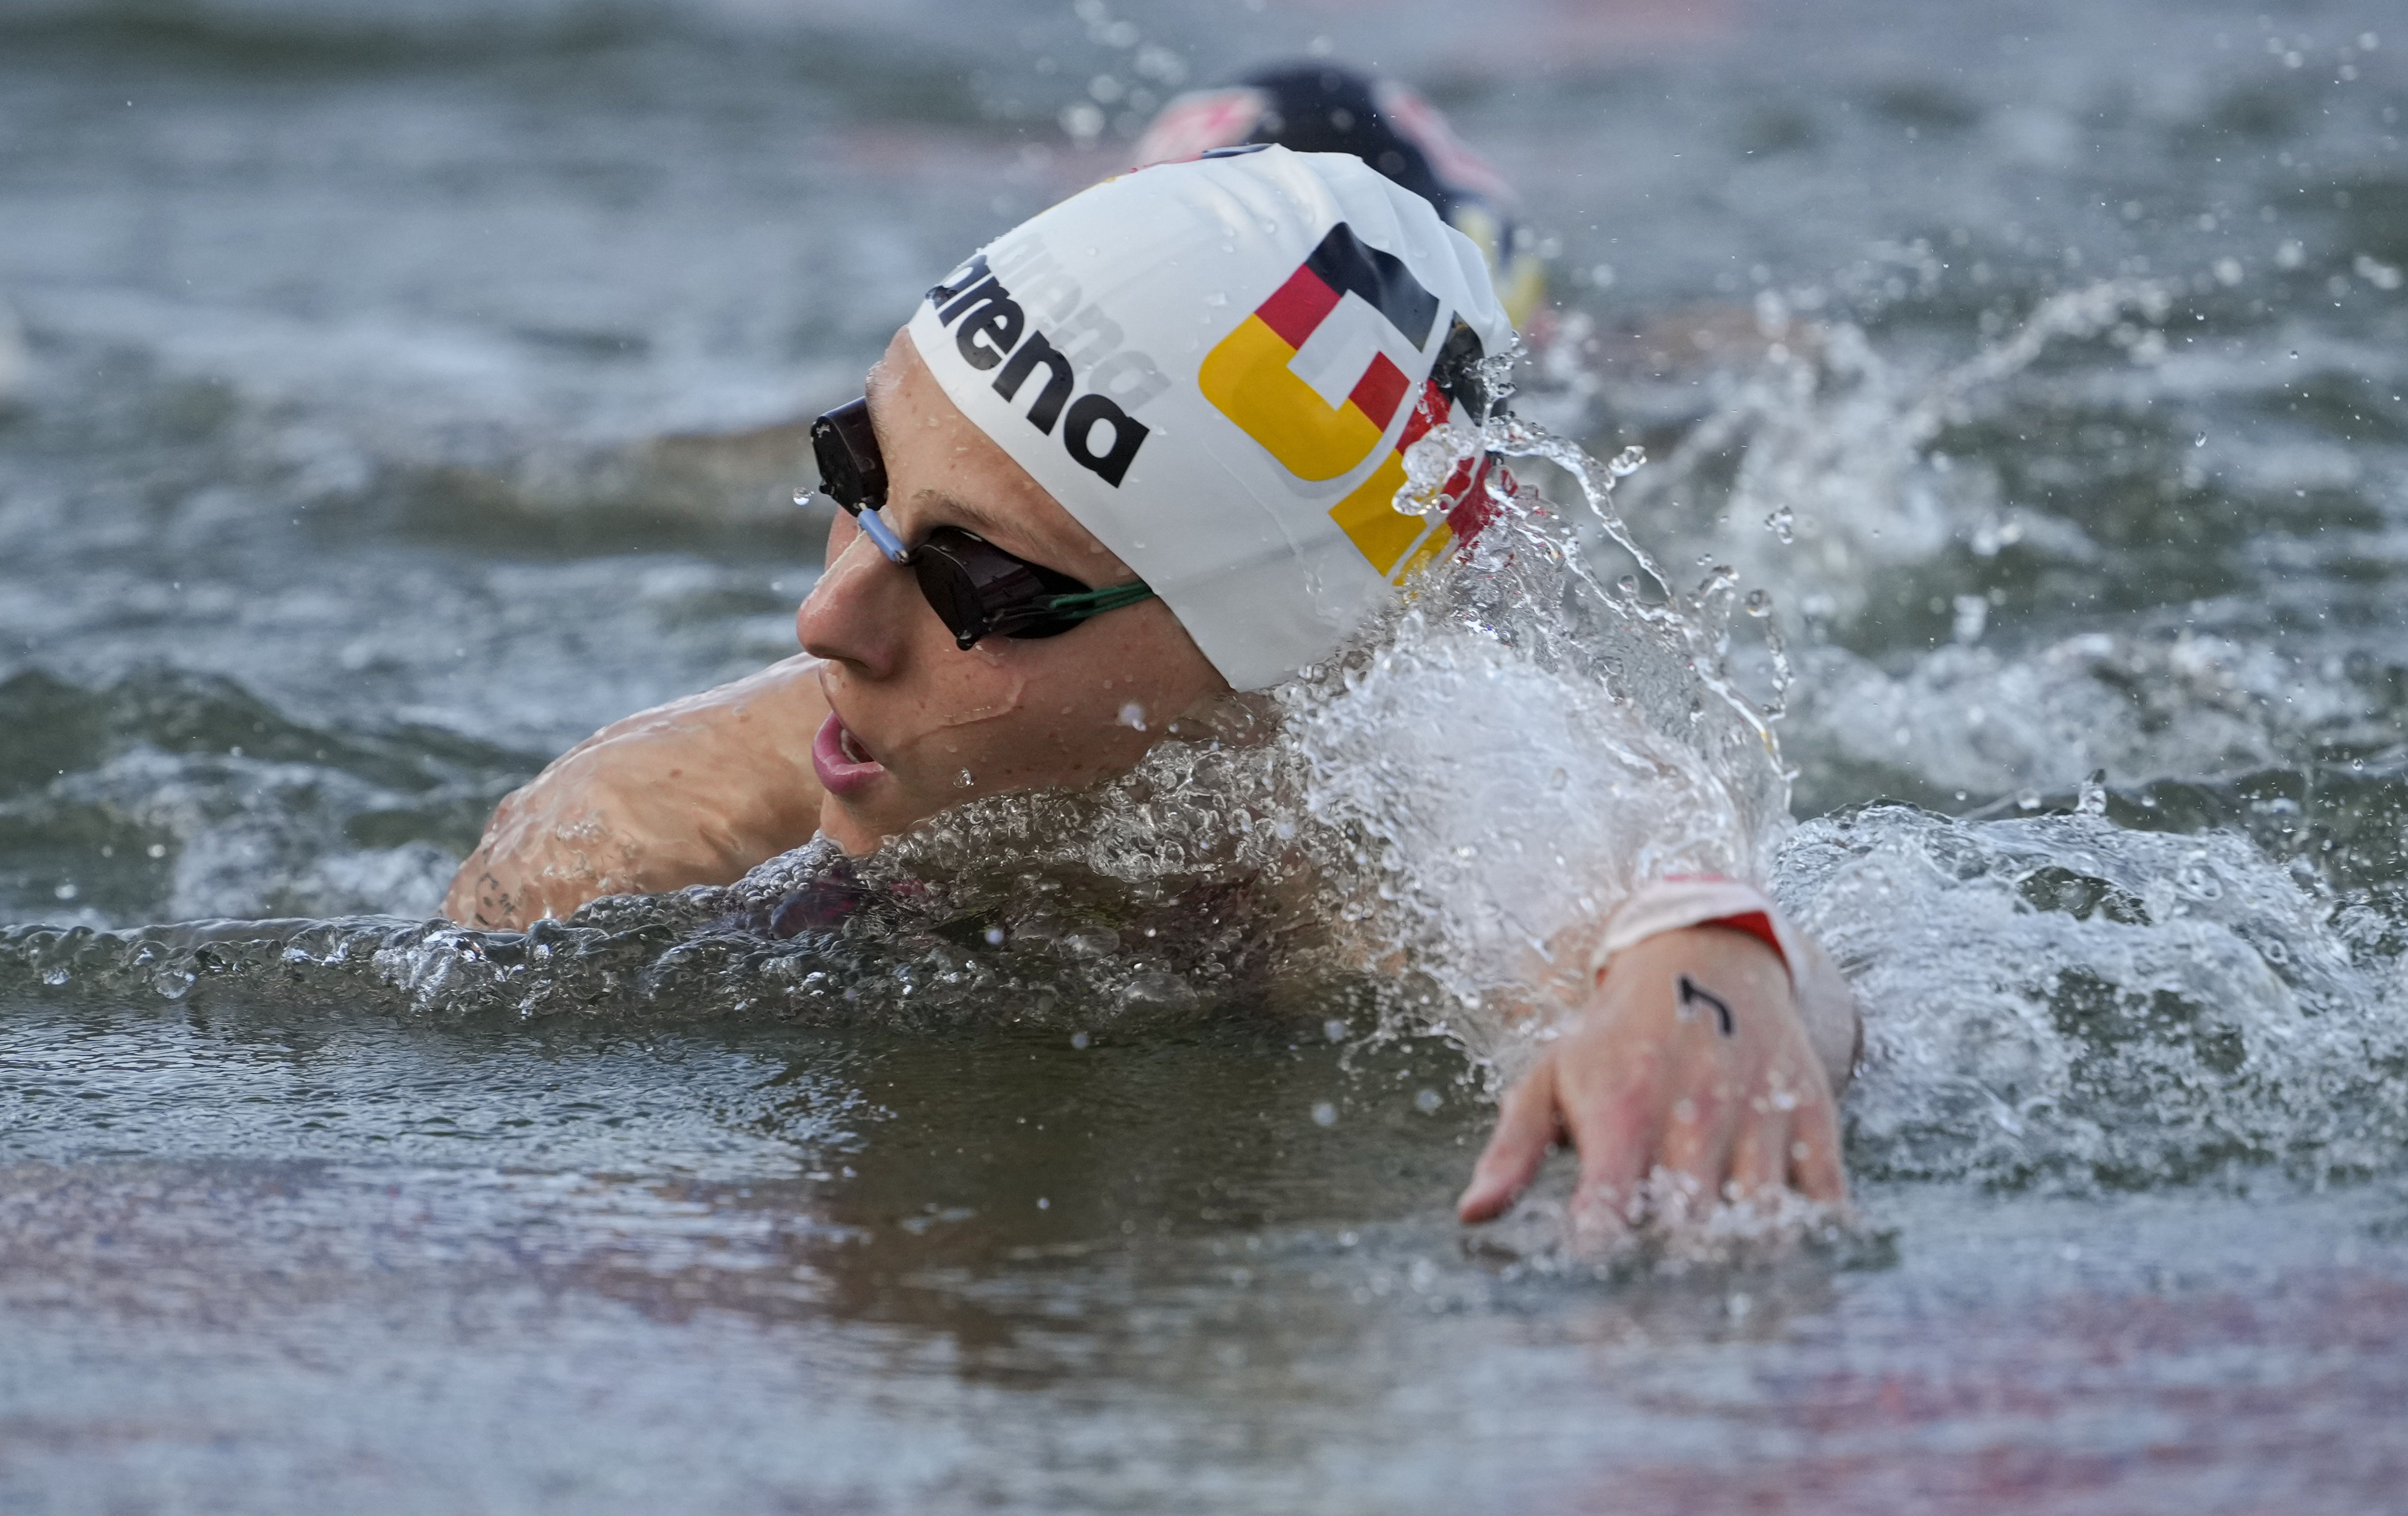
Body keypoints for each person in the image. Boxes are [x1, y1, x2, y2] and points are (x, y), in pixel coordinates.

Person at [445, 140, 1857, 1239]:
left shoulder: (1373, 823)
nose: (827, 617)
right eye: (852, 475)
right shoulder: (646, 834)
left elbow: (1655, 905)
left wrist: (1713, 972)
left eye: (978, 583)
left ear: (1271, 678)